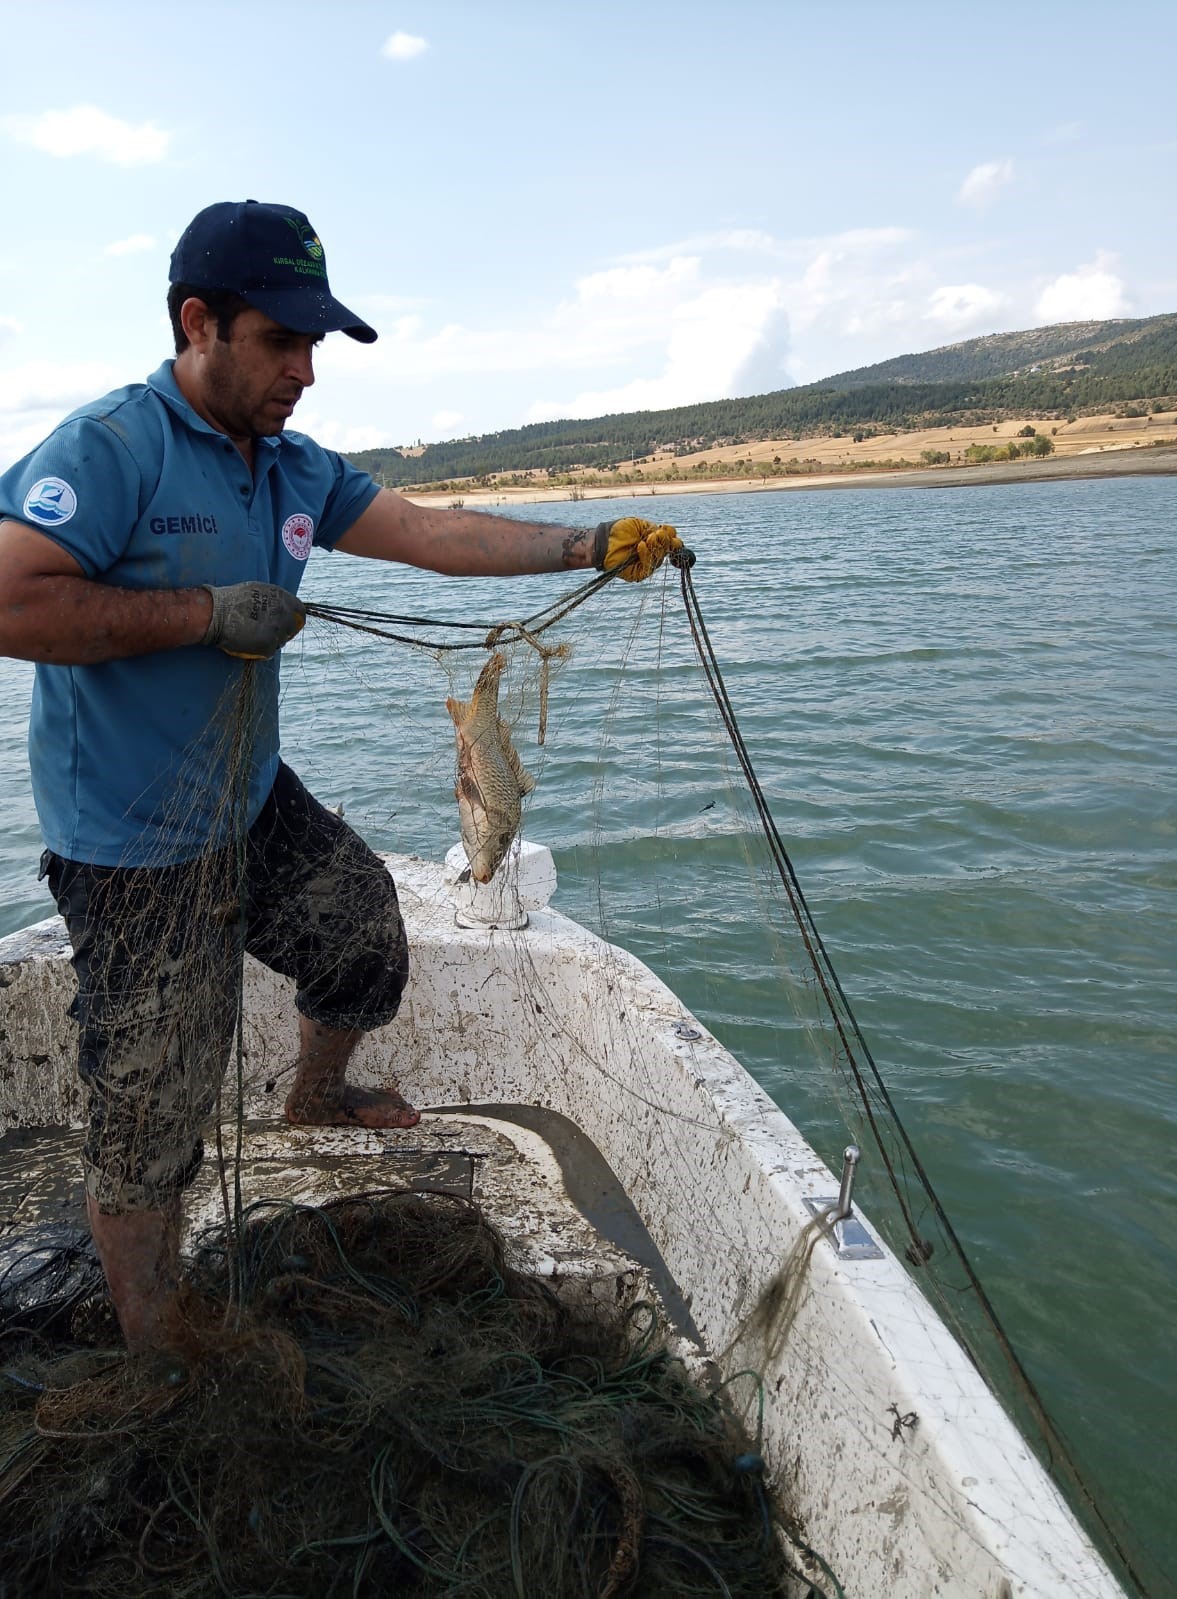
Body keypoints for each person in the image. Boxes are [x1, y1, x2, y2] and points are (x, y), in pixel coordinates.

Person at [0, 199, 682, 1348]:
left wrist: (582, 546)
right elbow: (11, 597)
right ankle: (155, 1331)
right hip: (130, 843)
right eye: (282, 341)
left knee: (364, 933)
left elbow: (429, 532)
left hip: (249, 800)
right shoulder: (112, 447)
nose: (306, 371)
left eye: (316, 346)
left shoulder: (294, 469)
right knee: (155, 1101)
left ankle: (313, 1093)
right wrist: (203, 613)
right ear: (198, 322)